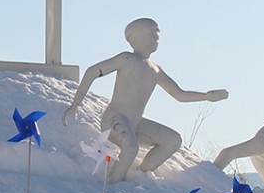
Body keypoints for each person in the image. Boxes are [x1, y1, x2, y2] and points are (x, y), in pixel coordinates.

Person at [62, 18, 227, 183]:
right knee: (131, 148)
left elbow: (179, 94)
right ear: (135, 38)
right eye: (151, 33)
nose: (156, 38)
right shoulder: (127, 59)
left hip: (136, 122)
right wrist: (75, 103)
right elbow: (92, 72)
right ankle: (114, 183)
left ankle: (140, 174)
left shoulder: (156, 70)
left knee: (172, 140)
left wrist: (206, 96)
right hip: (115, 118)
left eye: (157, 34)